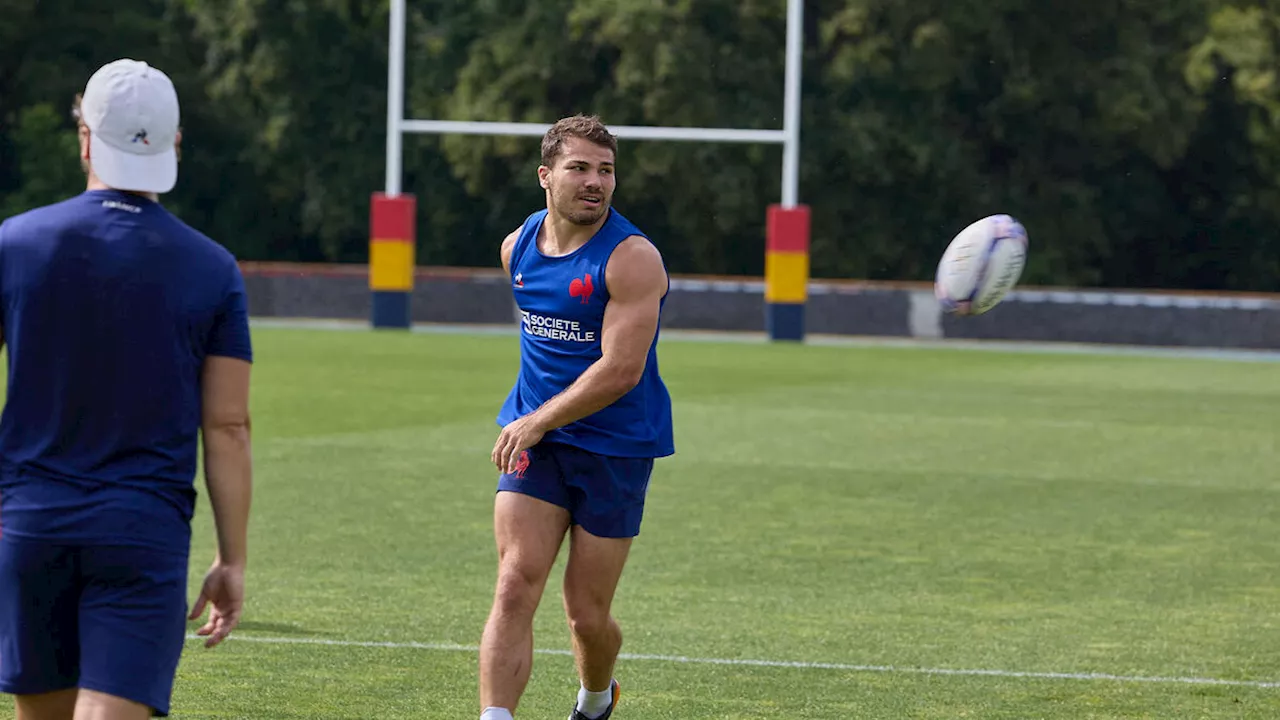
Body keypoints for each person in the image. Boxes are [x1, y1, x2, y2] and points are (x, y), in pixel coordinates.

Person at [0, 58, 254, 720]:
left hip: (29, 527)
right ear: (174, 143)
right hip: (142, 533)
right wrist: (232, 558)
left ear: (85, 136)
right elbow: (227, 426)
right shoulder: (212, 269)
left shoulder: (15, 243)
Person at [479, 114, 676, 720]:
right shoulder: (517, 247)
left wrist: (538, 418)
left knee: (585, 615)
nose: (596, 181)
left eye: (606, 170)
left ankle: (596, 697)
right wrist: (534, 422)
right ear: (546, 175)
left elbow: (622, 370)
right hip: (537, 442)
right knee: (514, 585)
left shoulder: (633, 258)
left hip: (616, 446)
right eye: (580, 168)